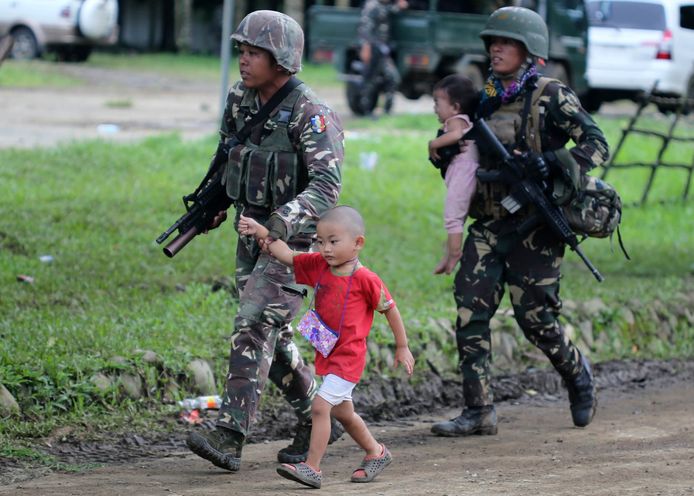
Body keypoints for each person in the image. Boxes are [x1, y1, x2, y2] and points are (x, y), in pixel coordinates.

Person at [431, 6, 609, 437]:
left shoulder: (552, 95)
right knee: (470, 309)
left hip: (536, 228)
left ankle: (577, 375)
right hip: (490, 224)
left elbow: (597, 144)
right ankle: (479, 410)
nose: (496, 49)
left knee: (537, 321)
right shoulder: (485, 96)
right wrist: (444, 154)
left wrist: (553, 163)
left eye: (506, 43)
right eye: (492, 42)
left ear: (529, 50)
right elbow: (463, 155)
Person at [185, 10, 345, 472]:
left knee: (253, 323)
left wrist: (280, 221)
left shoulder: (312, 114)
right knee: (269, 335)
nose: (243, 60)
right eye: (241, 50)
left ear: (282, 60)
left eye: (254, 52)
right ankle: (318, 414)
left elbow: (325, 188)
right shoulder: (240, 99)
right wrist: (214, 202)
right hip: (250, 233)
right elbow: (226, 154)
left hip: (295, 244)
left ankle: (231, 434)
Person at [238, 206, 415, 489]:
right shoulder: (319, 265)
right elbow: (288, 255)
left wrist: (402, 346)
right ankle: (376, 452)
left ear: (358, 243)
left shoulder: (366, 279)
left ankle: (312, 468)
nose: (325, 248)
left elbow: (390, 310)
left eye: (334, 241)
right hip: (327, 354)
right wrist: (262, 231)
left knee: (320, 407)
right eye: (320, 241)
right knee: (343, 413)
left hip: (349, 358)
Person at [427, 74, 480, 275]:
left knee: (453, 218)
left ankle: (454, 254)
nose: (435, 108)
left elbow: (457, 135)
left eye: (438, 102)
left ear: (456, 107)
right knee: (454, 218)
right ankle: (449, 254)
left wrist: (433, 144)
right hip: (460, 173)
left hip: (464, 172)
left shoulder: (457, 120)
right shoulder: (457, 119)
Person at [357, 0, 408, 115]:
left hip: (382, 50)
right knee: (369, 80)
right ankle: (366, 111)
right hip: (372, 48)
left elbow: (389, 11)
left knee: (392, 78)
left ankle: (387, 111)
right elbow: (365, 28)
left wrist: (399, 6)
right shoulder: (372, 6)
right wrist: (366, 47)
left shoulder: (382, 6)